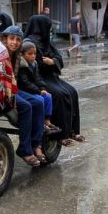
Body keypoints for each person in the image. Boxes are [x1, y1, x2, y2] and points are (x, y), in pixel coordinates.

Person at [24, 15, 84, 146]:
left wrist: (52, 61)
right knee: (60, 95)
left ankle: (72, 131)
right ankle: (61, 135)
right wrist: (51, 62)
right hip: (38, 78)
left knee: (72, 92)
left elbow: (58, 58)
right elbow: (38, 64)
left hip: (51, 77)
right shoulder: (30, 43)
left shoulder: (45, 42)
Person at [1, 25, 47, 166]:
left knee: (39, 102)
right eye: (11, 39)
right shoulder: (0, 52)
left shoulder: (17, 54)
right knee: (26, 107)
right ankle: (24, 149)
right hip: (1, 88)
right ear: (5, 39)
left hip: (12, 87)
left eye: (18, 39)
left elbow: (14, 77)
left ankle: (36, 144)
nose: (14, 42)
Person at [17, 41, 58, 131]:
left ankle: (46, 120)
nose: (33, 56)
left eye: (34, 53)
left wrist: (43, 88)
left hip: (33, 89)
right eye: (30, 54)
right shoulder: (22, 66)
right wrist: (38, 91)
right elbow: (25, 83)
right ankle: (39, 122)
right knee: (40, 100)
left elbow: (38, 78)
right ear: (22, 55)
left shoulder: (34, 64)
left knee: (48, 96)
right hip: (24, 90)